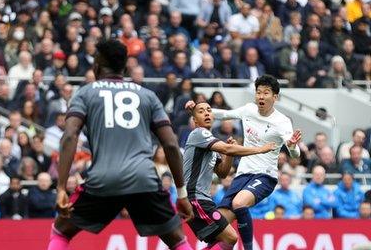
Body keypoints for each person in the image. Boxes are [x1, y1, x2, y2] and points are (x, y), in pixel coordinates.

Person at [47, 39, 194, 250]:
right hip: (144, 180)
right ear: (124, 67)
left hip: (103, 180)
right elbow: (171, 145)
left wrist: (61, 187)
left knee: (61, 230)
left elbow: (69, 136)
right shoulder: (147, 96)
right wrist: (181, 194)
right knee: (177, 240)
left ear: (96, 65)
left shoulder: (86, 93)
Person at [186, 74, 301, 250]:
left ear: (275, 97)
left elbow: (295, 153)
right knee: (221, 235)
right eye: (258, 92)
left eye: (266, 93)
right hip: (242, 175)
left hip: (265, 176)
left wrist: (292, 146)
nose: (261, 97)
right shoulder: (248, 109)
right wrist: (198, 110)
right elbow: (224, 114)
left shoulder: (282, 121)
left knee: (239, 203)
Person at [183, 101, 275, 250]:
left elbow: (222, 173)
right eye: (201, 111)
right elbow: (227, 148)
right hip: (195, 199)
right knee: (230, 238)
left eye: (208, 110)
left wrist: (229, 156)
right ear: (194, 120)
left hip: (202, 200)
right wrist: (260, 149)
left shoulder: (209, 142)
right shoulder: (199, 134)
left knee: (224, 241)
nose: (207, 113)